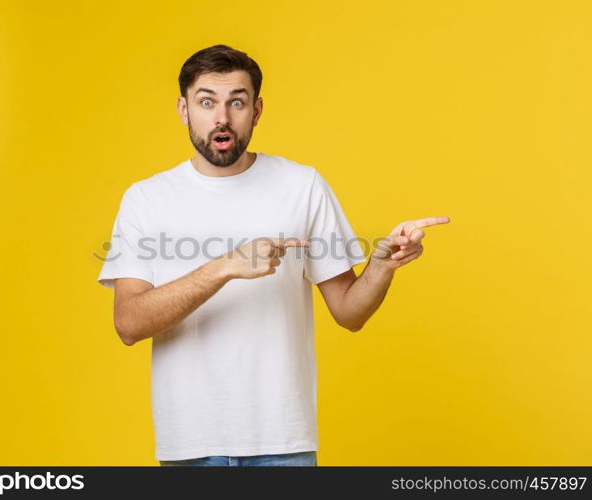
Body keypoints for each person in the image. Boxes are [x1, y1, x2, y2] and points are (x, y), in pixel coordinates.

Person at [97, 44, 449, 467]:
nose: (222, 117)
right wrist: (226, 266)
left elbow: (350, 313)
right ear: (183, 108)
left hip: (283, 444)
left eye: (237, 102)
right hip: (190, 445)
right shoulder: (147, 199)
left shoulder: (302, 185)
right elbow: (129, 324)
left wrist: (382, 265)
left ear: (257, 110)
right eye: (206, 101)